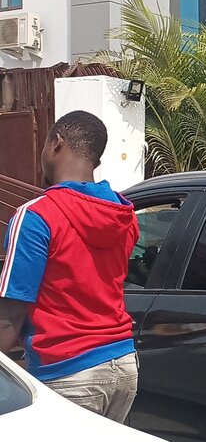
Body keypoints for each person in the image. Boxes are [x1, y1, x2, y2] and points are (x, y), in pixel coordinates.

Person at [0, 110, 140, 421]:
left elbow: (10, 314)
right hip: (123, 363)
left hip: (68, 371)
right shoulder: (123, 214)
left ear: (56, 143)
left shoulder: (35, 216)